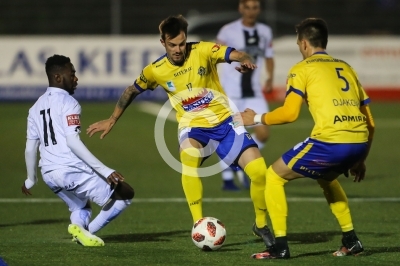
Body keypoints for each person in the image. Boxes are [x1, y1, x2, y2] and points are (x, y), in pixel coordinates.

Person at [86, 14, 274, 248]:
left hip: (226, 121)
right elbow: (130, 91)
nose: (178, 49)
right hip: (193, 127)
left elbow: (235, 53)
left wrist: (244, 60)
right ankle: (199, 224)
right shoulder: (156, 70)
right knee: (189, 156)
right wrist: (112, 119)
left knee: (258, 172)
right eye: (172, 44)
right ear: (162, 42)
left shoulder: (203, 50)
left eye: (182, 43)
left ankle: (261, 225)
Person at [237, 18, 375, 259]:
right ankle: (351, 240)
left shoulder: (302, 68)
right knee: (326, 178)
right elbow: (370, 121)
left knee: (273, 176)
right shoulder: (346, 67)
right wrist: (361, 158)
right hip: (359, 142)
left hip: (331, 142)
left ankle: (279, 247)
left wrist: (256, 118)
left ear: (303, 43)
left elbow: (290, 113)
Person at [22, 54, 134, 247]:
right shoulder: (69, 103)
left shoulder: (35, 108)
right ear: (58, 77)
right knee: (124, 195)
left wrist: (31, 179)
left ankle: (79, 229)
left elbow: (30, 148)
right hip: (69, 168)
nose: (76, 78)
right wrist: (105, 171)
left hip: (49, 173)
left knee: (81, 205)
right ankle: (86, 233)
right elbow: (73, 142)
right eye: (72, 73)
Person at [216, 0, 274, 191]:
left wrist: (270, 77)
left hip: (254, 91)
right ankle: (227, 179)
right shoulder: (227, 31)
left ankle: (242, 166)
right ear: (241, 8)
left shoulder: (265, 31)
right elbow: (213, 56)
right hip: (231, 90)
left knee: (263, 132)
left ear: (259, 9)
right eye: (247, 7)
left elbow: (269, 56)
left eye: (255, 7)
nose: (251, 11)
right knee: (226, 133)